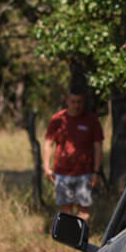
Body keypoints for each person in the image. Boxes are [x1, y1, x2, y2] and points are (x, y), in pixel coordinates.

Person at [44, 87, 104, 221]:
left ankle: (81, 238)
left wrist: (96, 172)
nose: (76, 105)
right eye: (73, 102)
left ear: (84, 102)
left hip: (84, 173)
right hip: (62, 172)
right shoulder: (57, 120)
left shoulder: (92, 121)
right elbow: (48, 144)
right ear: (67, 101)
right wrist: (46, 167)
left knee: (83, 209)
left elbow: (98, 147)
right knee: (66, 209)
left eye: (79, 102)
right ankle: (69, 238)